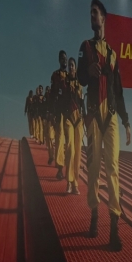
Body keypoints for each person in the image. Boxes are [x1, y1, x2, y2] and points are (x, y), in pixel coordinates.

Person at [78, 0, 131, 250]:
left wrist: (127, 121)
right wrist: (87, 70)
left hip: (110, 117)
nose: (91, 16)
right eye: (89, 13)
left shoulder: (112, 53)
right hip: (92, 115)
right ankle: (94, 216)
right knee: (93, 170)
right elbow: (79, 78)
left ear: (103, 18)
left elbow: (118, 91)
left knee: (112, 170)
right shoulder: (85, 47)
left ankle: (113, 230)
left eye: (95, 13)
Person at [62, 57, 84, 195]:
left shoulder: (80, 82)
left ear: (75, 68)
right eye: (69, 65)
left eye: (72, 65)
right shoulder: (64, 83)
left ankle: (76, 184)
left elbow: (82, 101)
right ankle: (69, 182)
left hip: (79, 119)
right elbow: (61, 101)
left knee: (78, 152)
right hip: (68, 118)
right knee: (70, 150)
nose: (70, 67)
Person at [49, 51, 70, 180]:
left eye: (66, 58)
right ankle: (60, 169)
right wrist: (52, 112)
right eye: (62, 59)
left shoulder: (70, 75)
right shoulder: (55, 75)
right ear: (59, 60)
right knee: (60, 138)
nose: (64, 61)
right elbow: (52, 95)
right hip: (60, 111)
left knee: (70, 142)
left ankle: (70, 168)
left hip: (70, 112)